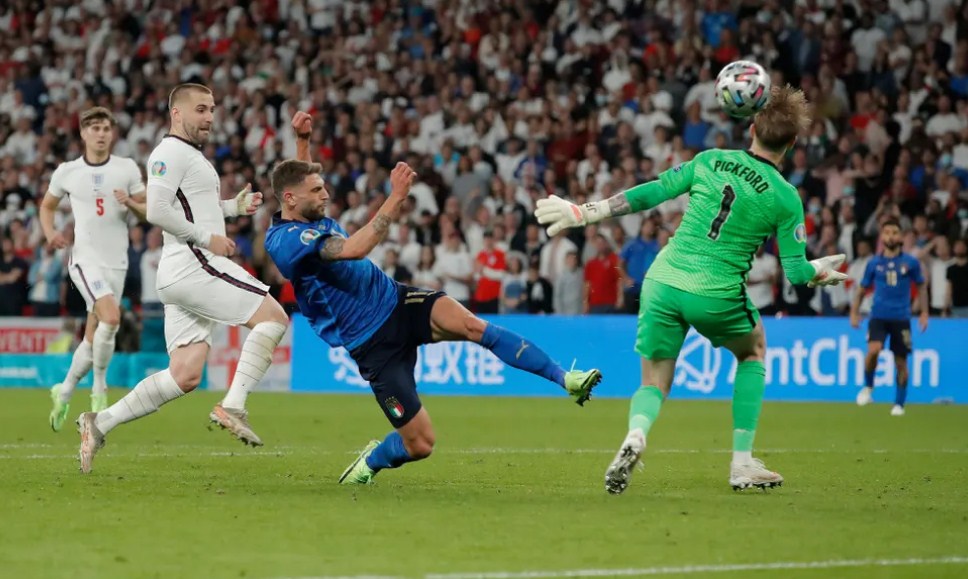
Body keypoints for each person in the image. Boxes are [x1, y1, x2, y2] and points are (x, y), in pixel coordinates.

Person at [536, 86, 848, 493]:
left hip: (663, 280)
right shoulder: (786, 197)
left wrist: (585, 212)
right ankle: (742, 463)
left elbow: (652, 192)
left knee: (653, 382)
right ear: (791, 143)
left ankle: (636, 435)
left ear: (751, 128)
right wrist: (819, 271)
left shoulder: (710, 159)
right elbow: (795, 272)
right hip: (714, 291)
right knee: (753, 350)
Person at [264, 111, 602, 486]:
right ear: (291, 199)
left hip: (396, 301)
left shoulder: (303, 207)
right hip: (370, 342)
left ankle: (565, 378)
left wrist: (302, 141)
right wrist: (396, 197)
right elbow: (355, 249)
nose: (325, 194)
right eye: (317, 191)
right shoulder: (285, 243)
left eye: (323, 187)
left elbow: (300, 181)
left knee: (474, 326)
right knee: (421, 444)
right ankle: (372, 461)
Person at [76, 84, 290, 473]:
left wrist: (232, 207)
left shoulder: (189, 155)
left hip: (182, 269)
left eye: (212, 109)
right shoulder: (169, 153)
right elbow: (157, 211)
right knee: (274, 318)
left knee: (186, 373)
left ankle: (99, 423)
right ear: (177, 113)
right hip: (194, 263)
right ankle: (233, 405)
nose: (209, 117)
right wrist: (207, 238)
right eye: (201, 109)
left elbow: (191, 207)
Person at [40, 107, 147, 431]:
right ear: (83, 133)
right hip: (85, 260)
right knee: (111, 318)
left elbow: (148, 211)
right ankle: (99, 390)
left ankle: (64, 390)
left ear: (112, 134)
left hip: (117, 262)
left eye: (105, 128)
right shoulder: (68, 171)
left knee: (93, 335)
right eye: (94, 128)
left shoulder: (126, 168)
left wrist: (131, 203)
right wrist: (50, 233)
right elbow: (47, 206)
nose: (101, 133)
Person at [851, 218, 929, 416]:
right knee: (873, 350)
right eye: (887, 232)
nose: (891, 236)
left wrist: (924, 312)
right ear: (881, 236)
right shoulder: (874, 263)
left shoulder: (910, 262)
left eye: (894, 232)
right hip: (878, 316)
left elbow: (921, 287)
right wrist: (854, 312)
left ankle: (899, 404)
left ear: (901, 236)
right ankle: (868, 387)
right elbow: (861, 290)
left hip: (901, 318)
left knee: (901, 362)